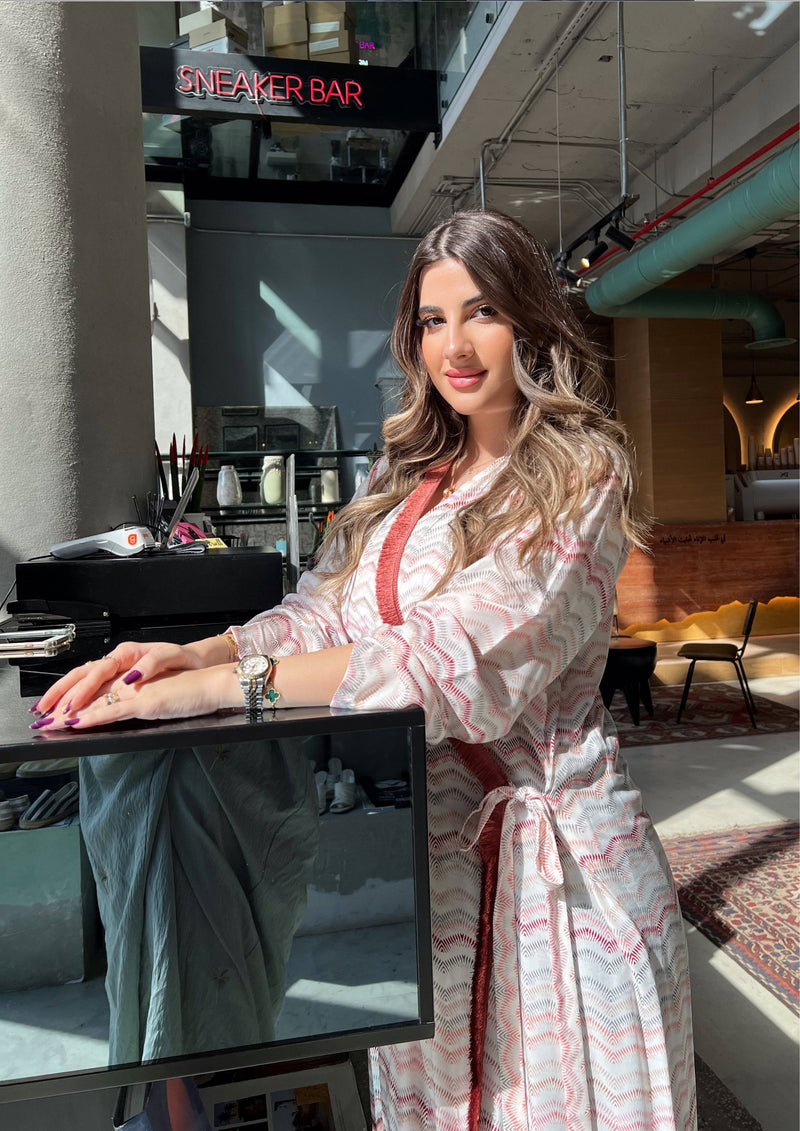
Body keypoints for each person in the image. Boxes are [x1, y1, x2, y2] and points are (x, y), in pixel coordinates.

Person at [33, 210, 696, 1130]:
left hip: (561, 881)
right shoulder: (406, 475)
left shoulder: (579, 474)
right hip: (439, 875)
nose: (455, 346)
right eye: (432, 320)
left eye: (483, 311)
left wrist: (221, 689)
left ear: (530, 322)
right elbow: (323, 611)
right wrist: (205, 650)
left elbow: (454, 662)